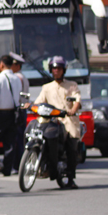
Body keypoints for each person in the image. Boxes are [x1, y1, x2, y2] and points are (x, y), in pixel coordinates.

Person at [34, 56, 81, 189]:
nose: (56, 71)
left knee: (72, 147)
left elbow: (77, 100)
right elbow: (38, 102)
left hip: (68, 121)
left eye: (59, 68)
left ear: (63, 70)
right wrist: (30, 106)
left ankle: (71, 177)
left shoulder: (72, 85)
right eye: (54, 68)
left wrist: (72, 110)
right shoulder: (46, 87)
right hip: (52, 122)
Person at [10, 53, 30, 173]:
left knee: (16, 139)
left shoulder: (17, 77)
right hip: (23, 110)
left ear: (17, 65)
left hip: (19, 110)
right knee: (19, 138)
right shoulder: (23, 76)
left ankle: (17, 165)